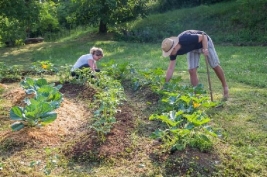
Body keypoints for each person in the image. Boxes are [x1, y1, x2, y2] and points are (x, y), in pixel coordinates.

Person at [161, 30, 229, 99]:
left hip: (204, 43)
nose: (169, 54)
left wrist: (205, 49)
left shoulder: (185, 39)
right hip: (192, 49)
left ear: (174, 48)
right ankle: (196, 95)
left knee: (214, 65)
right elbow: (170, 68)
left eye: (169, 52)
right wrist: (165, 84)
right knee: (192, 70)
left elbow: (203, 37)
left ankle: (225, 87)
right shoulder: (173, 52)